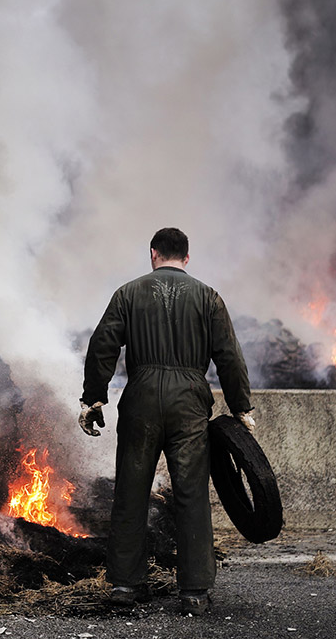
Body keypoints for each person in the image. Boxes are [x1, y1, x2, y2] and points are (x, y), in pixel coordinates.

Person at [79, 227, 253, 616]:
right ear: (187, 258)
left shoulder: (128, 293)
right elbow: (228, 356)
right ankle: (193, 592)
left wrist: (93, 397)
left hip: (140, 396)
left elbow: (102, 345)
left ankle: (125, 584)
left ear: (153, 254)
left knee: (131, 487)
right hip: (189, 398)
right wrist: (241, 407)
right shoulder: (208, 297)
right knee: (190, 491)